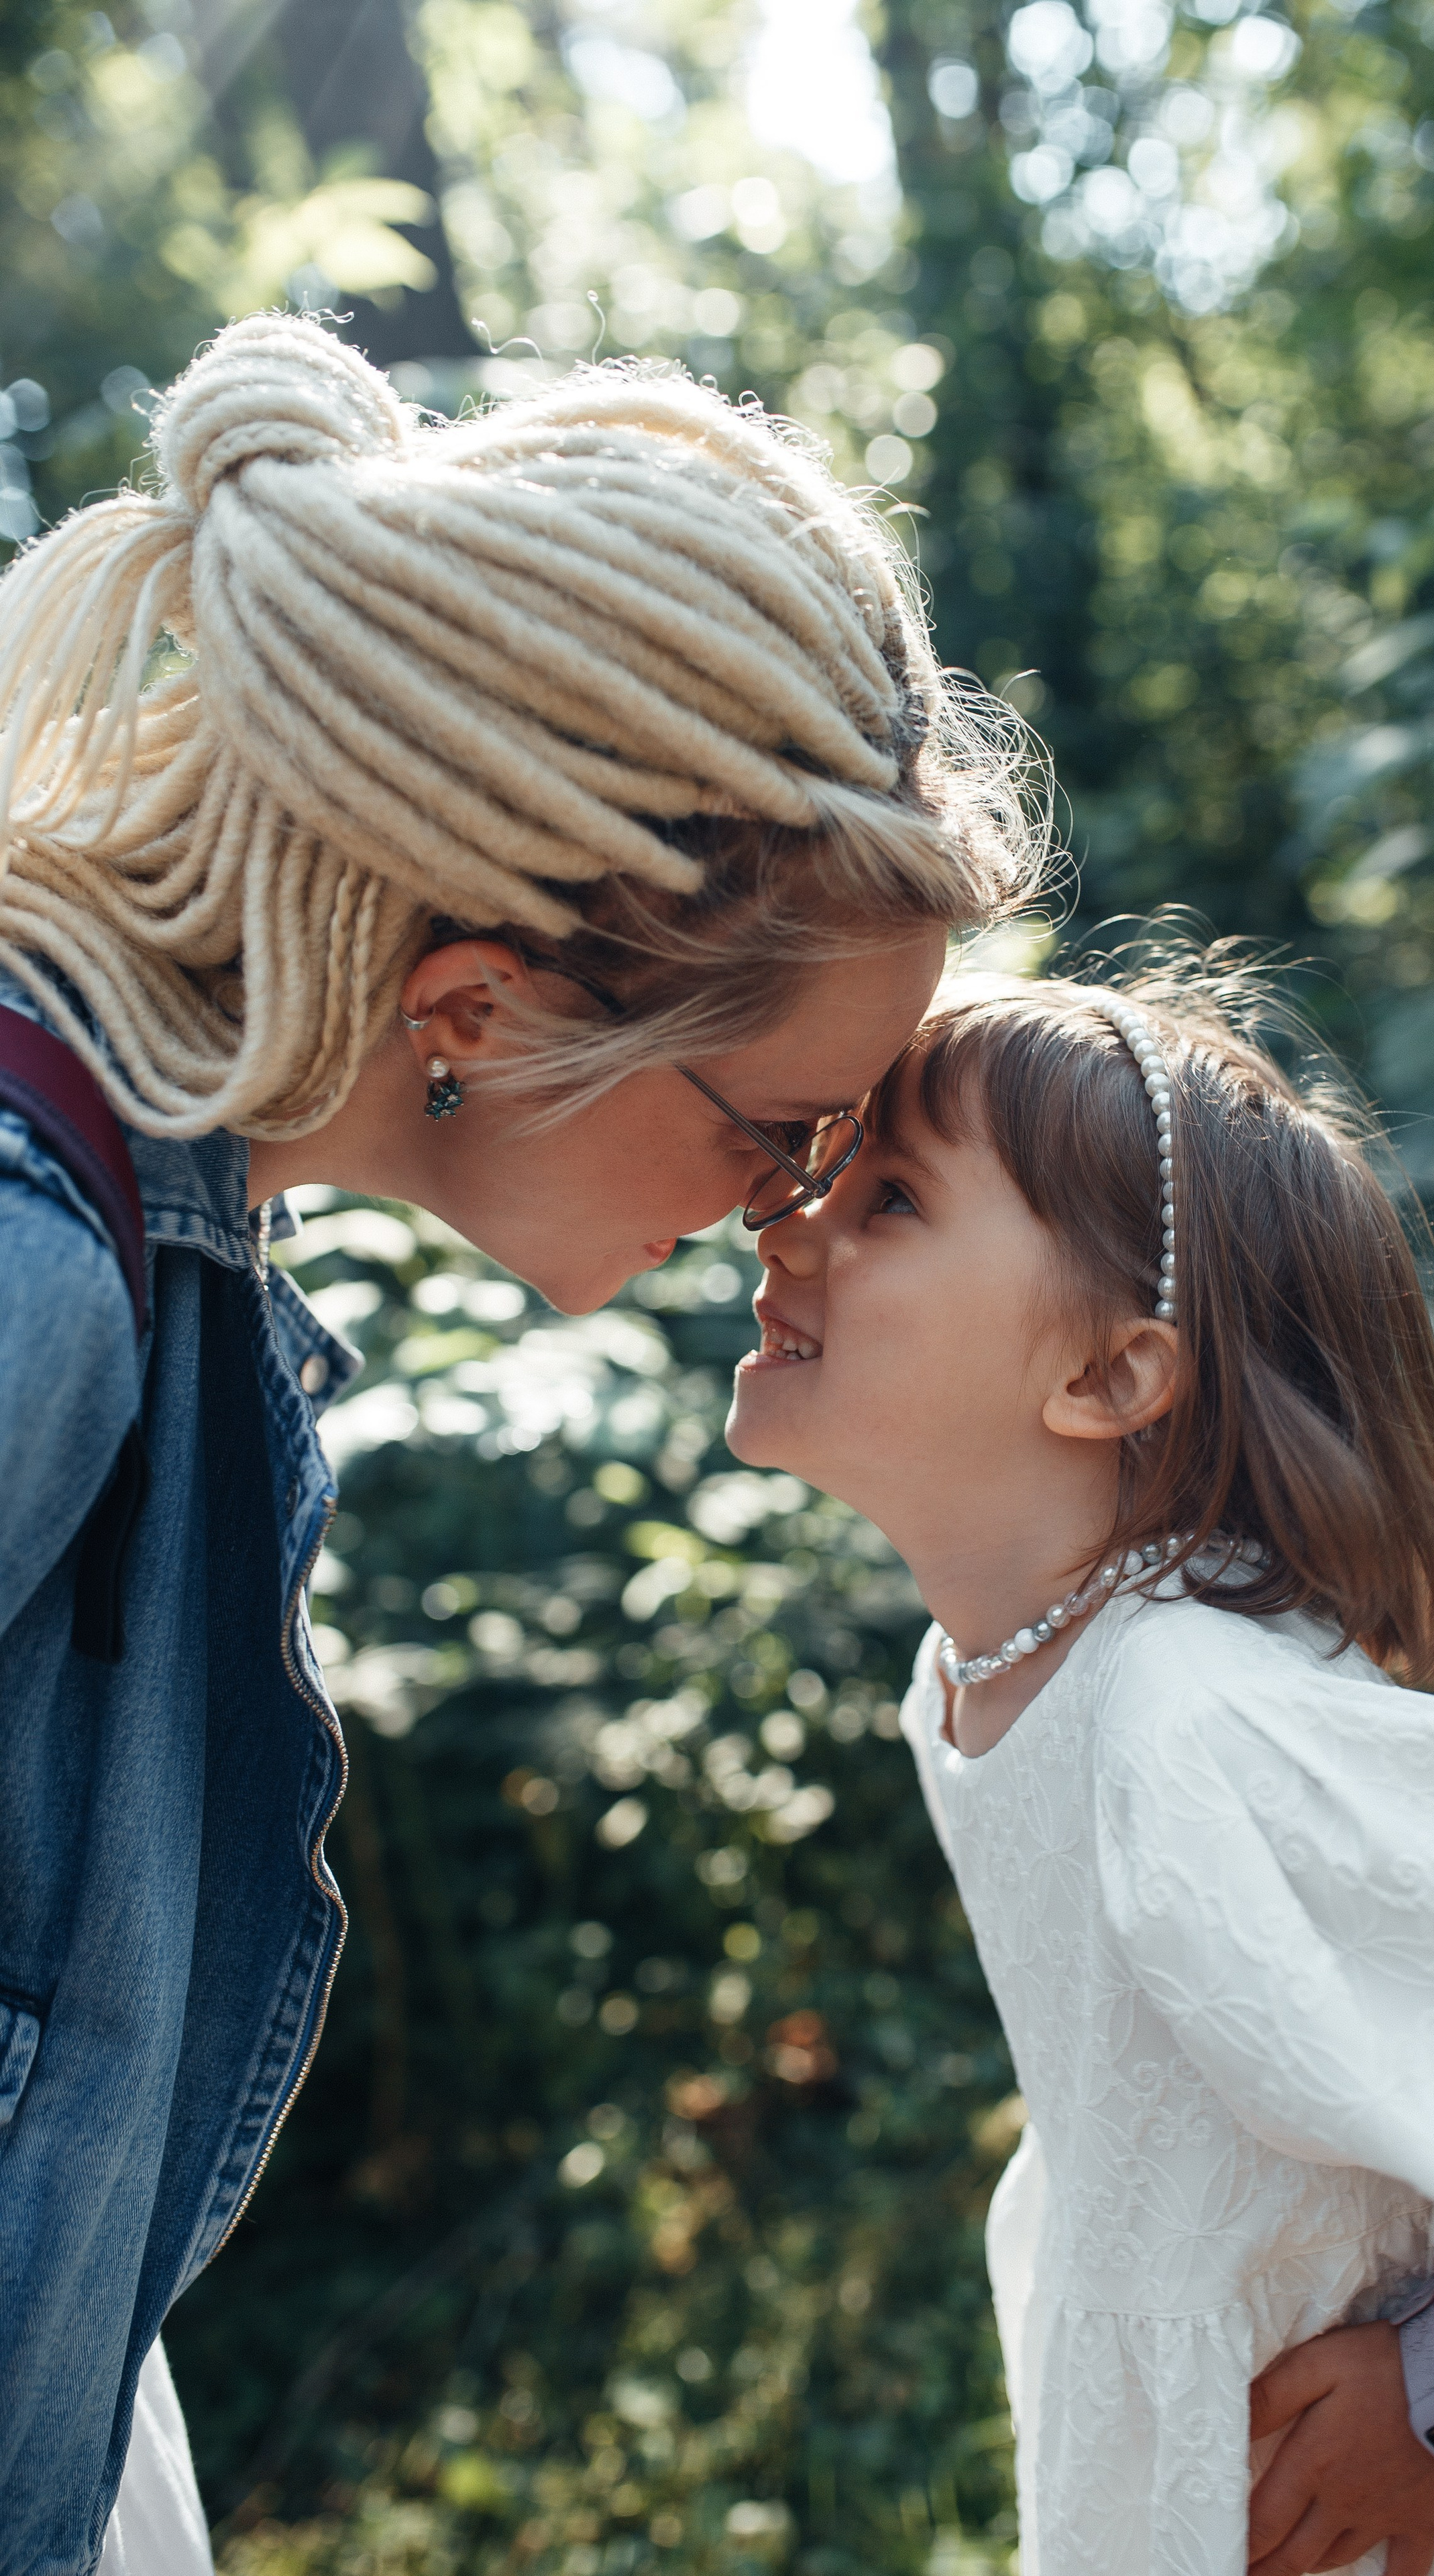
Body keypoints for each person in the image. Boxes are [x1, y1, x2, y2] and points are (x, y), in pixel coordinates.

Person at [0, 311, 1036, 2575]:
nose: (795, 1211)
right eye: (779, 1130)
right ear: (477, 1009)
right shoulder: (38, 1280)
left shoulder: (149, 1254)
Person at [726, 954, 1434, 2576]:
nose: (786, 1224)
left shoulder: (1199, 1717)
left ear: (1108, 1375)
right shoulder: (980, 1687)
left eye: (886, 1197)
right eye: (820, 1177)